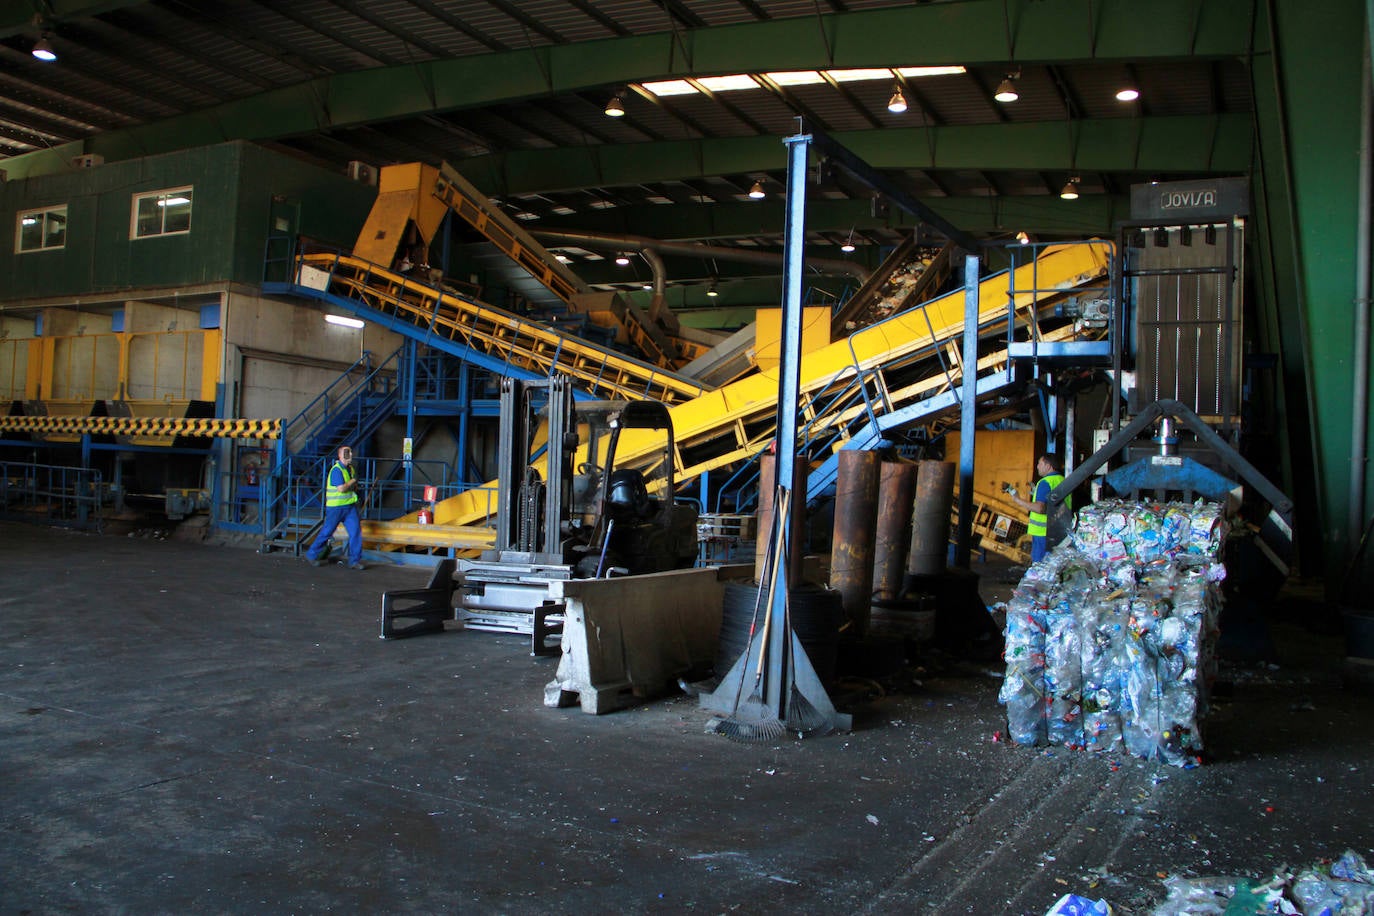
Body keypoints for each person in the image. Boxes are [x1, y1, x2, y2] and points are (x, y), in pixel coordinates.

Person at [306, 445, 365, 570]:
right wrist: (353, 481)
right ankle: (311, 554)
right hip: (336, 508)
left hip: (349, 506)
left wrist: (354, 487)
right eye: (346, 453)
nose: (350, 455)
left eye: (350, 452)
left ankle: (354, 560)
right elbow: (342, 488)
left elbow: (352, 487)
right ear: (340, 455)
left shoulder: (351, 469)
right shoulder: (336, 470)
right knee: (327, 532)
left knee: (356, 532)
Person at [1006, 452, 1069, 563]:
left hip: (1043, 534)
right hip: (1060, 532)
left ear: (1048, 466)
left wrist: (1017, 499)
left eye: (1040, 463)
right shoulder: (1062, 480)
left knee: (1040, 568)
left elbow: (1040, 508)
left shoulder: (1045, 482)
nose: (1037, 466)